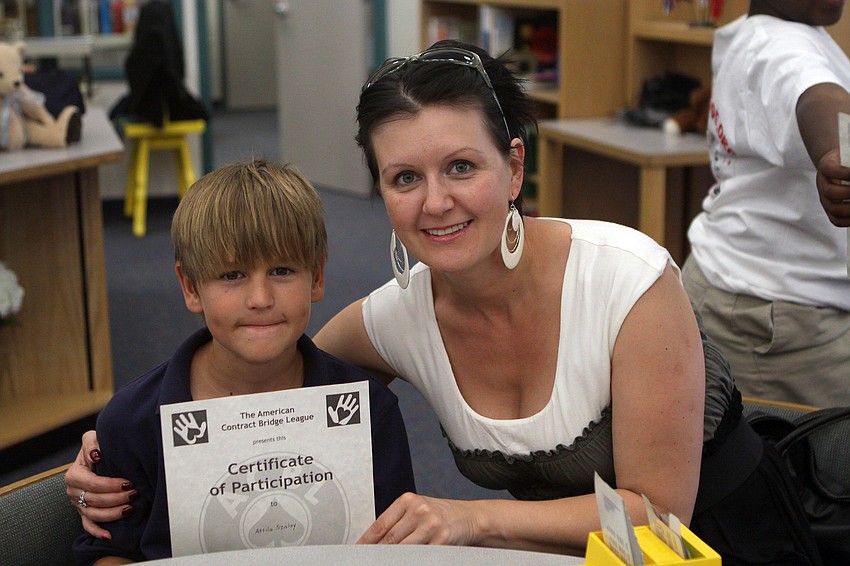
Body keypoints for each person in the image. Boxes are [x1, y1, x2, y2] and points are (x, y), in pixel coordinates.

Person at [67, 42, 819, 564]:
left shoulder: (626, 280)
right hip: (537, 555)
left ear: (514, 162)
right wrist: (107, 455)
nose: (436, 203)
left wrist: (471, 518)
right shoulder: (392, 319)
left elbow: (660, 516)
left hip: (713, 543)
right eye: (403, 178)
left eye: (462, 166)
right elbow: (262, 371)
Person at [71, 160, 416, 563]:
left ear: (317, 277)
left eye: (282, 270)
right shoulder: (133, 420)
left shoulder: (371, 411)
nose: (260, 299)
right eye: (232, 276)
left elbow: (399, 546)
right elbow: (109, 550)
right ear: (190, 287)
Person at [683, 0, 850, 408]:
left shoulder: (763, 32)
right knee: (823, 462)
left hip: (749, 290)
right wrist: (838, 152)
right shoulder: (782, 47)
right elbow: (816, 96)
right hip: (774, 319)